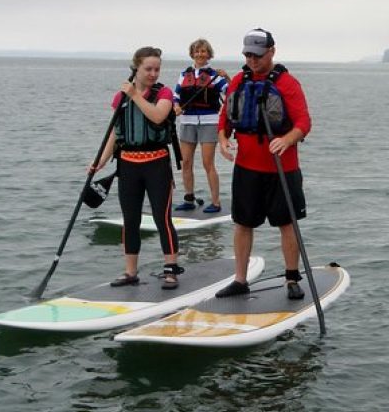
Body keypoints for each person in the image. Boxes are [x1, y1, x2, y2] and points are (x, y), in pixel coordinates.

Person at [215, 28, 312, 300]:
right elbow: (224, 120)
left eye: (257, 55)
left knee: (287, 224)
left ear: (271, 51)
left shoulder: (288, 84)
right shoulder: (237, 81)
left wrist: (288, 139)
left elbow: (304, 123)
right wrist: (223, 141)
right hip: (246, 167)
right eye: (247, 55)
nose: (252, 60)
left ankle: (292, 278)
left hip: (283, 169)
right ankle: (240, 280)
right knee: (242, 224)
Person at [92, 46, 181, 290]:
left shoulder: (164, 93)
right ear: (137, 69)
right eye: (148, 69)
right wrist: (100, 160)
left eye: (157, 69)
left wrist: (135, 95)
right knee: (130, 219)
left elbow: (158, 117)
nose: (153, 73)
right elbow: (115, 131)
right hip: (128, 165)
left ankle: (171, 269)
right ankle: (130, 272)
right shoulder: (120, 98)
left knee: (161, 218)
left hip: (157, 164)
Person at [173, 38, 230, 212]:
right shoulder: (184, 74)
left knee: (207, 163)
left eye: (203, 51)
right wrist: (176, 106)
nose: (200, 54)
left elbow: (231, 93)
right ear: (192, 54)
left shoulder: (215, 76)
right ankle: (189, 198)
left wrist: (226, 76)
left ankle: (216, 202)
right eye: (197, 51)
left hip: (209, 122)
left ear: (209, 54)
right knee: (187, 162)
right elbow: (176, 95)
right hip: (187, 121)